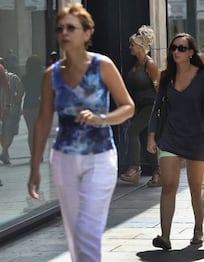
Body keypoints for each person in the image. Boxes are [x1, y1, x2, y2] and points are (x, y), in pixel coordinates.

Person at [27, 3, 134, 262]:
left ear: (87, 33)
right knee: (75, 234)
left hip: (100, 158)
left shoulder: (103, 66)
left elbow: (128, 107)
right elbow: (42, 121)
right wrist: (34, 168)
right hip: (63, 159)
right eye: (60, 28)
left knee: (88, 230)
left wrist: (101, 118)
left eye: (71, 28)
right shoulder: (51, 75)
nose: (64, 33)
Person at [147, 32, 204, 250]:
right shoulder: (166, 76)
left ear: (191, 53)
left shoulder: (203, 77)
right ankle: (165, 236)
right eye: (174, 48)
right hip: (170, 137)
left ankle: (199, 229)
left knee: (196, 188)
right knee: (169, 185)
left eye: (181, 48)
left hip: (196, 138)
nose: (176, 51)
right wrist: (151, 135)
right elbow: (157, 107)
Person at [119, 25, 161, 186]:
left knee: (132, 131)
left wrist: (159, 111)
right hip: (139, 107)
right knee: (144, 138)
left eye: (132, 45)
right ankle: (157, 173)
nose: (130, 47)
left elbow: (159, 89)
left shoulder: (150, 65)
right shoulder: (135, 66)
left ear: (140, 47)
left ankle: (134, 168)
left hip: (150, 106)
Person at [0, 58, 24, 165]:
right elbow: (21, 90)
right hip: (11, 107)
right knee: (10, 131)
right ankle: (4, 152)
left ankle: (5, 154)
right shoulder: (13, 77)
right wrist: (17, 101)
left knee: (2, 131)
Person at [22, 55, 43, 157]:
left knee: (31, 132)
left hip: (27, 106)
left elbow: (21, 92)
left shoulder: (25, 77)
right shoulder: (41, 75)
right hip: (38, 105)